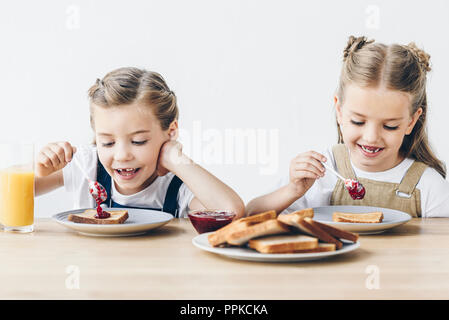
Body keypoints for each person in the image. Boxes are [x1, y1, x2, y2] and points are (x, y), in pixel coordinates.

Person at [246, 36, 449, 218]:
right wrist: (293, 190)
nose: (371, 138)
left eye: (390, 126)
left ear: (411, 122)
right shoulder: (323, 170)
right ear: (340, 111)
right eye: (358, 122)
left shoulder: (429, 186)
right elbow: (250, 215)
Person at [35, 67, 245, 218]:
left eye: (138, 141)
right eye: (107, 143)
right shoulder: (85, 165)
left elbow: (232, 213)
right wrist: (40, 169)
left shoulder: (177, 186)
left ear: (170, 132)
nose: (122, 155)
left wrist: (176, 160)